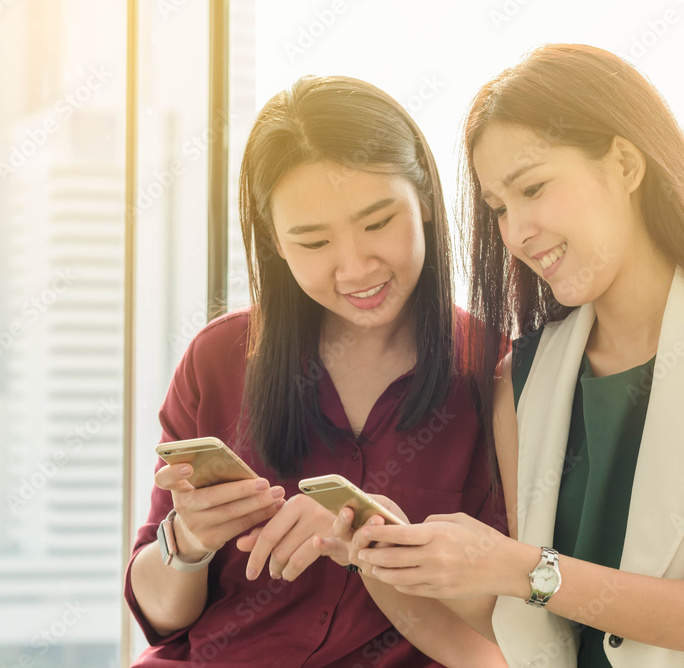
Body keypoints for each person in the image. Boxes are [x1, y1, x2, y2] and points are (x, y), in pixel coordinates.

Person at [345, 44, 684, 667]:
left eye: (533, 187)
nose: (516, 232)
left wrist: (517, 566)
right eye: (500, 207)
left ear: (626, 163)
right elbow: (540, 630)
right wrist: (415, 559)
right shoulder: (522, 379)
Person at [124, 75, 507, 667]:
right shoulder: (220, 360)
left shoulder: (498, 378)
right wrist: (191, 541)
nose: (355, 267)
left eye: (379, 223)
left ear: (426, 200)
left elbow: (514, 634)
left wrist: (382, 543)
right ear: (275, 244)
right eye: (312, 242)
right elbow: (159, 618)